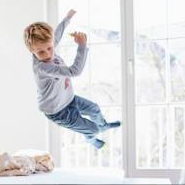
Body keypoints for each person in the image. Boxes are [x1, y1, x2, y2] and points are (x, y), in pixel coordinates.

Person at [24, 9, 120, 149]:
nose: (48, 54)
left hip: (69, 98)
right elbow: (74, 71)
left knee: (94, 108)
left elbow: (55, 35)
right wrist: (82, 46)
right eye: (41, 52)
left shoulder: (46, 46)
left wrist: (67, 18)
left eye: (50, 48)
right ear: (32, 51)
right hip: (58, 111)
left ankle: (104, 126)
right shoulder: (43, 68)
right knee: (93, 130)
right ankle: (90, 138)